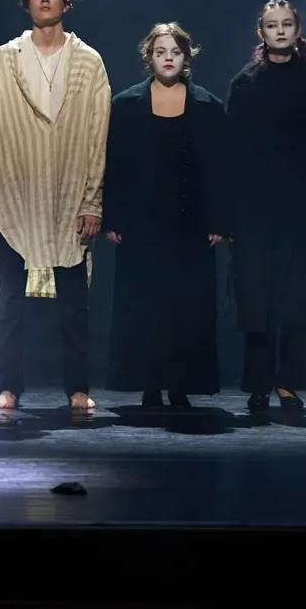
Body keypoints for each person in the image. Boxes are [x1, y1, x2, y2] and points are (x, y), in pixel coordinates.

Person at [0, 0, 111, 414]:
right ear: (27, 3)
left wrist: (92, 199)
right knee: (8, 306)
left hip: (69, 194)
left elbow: (97, 134)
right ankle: (9, 386)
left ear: (66, 3)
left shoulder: (88, 62)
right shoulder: (5, 59)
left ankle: (77, 388)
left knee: (74, 307)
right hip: (17, 195)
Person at [105, 23, 230, 410]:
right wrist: (113, 217)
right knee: (146, 305)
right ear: (150, 57)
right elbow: (114, 164)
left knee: (187, 305)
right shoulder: (126, 104)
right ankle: (149, 384)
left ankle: (181, 385)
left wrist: (218, 219)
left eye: (175, 52)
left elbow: (220, 168)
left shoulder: (208, 105)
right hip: (142, 222)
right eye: (161, 52)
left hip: (191, 222)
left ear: (186, 57)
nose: (169, 58)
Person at [226, 0, 306, 413]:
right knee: (257, 301)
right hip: (255, 207)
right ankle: (258, 384)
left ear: (298, 29)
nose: (281, 31)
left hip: (301, 206)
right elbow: (233, 152)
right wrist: (233, 213)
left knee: (298, 300)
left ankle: (289, 382)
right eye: (273, 25)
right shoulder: (245, 83)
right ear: (261, 33)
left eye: (287, 24)